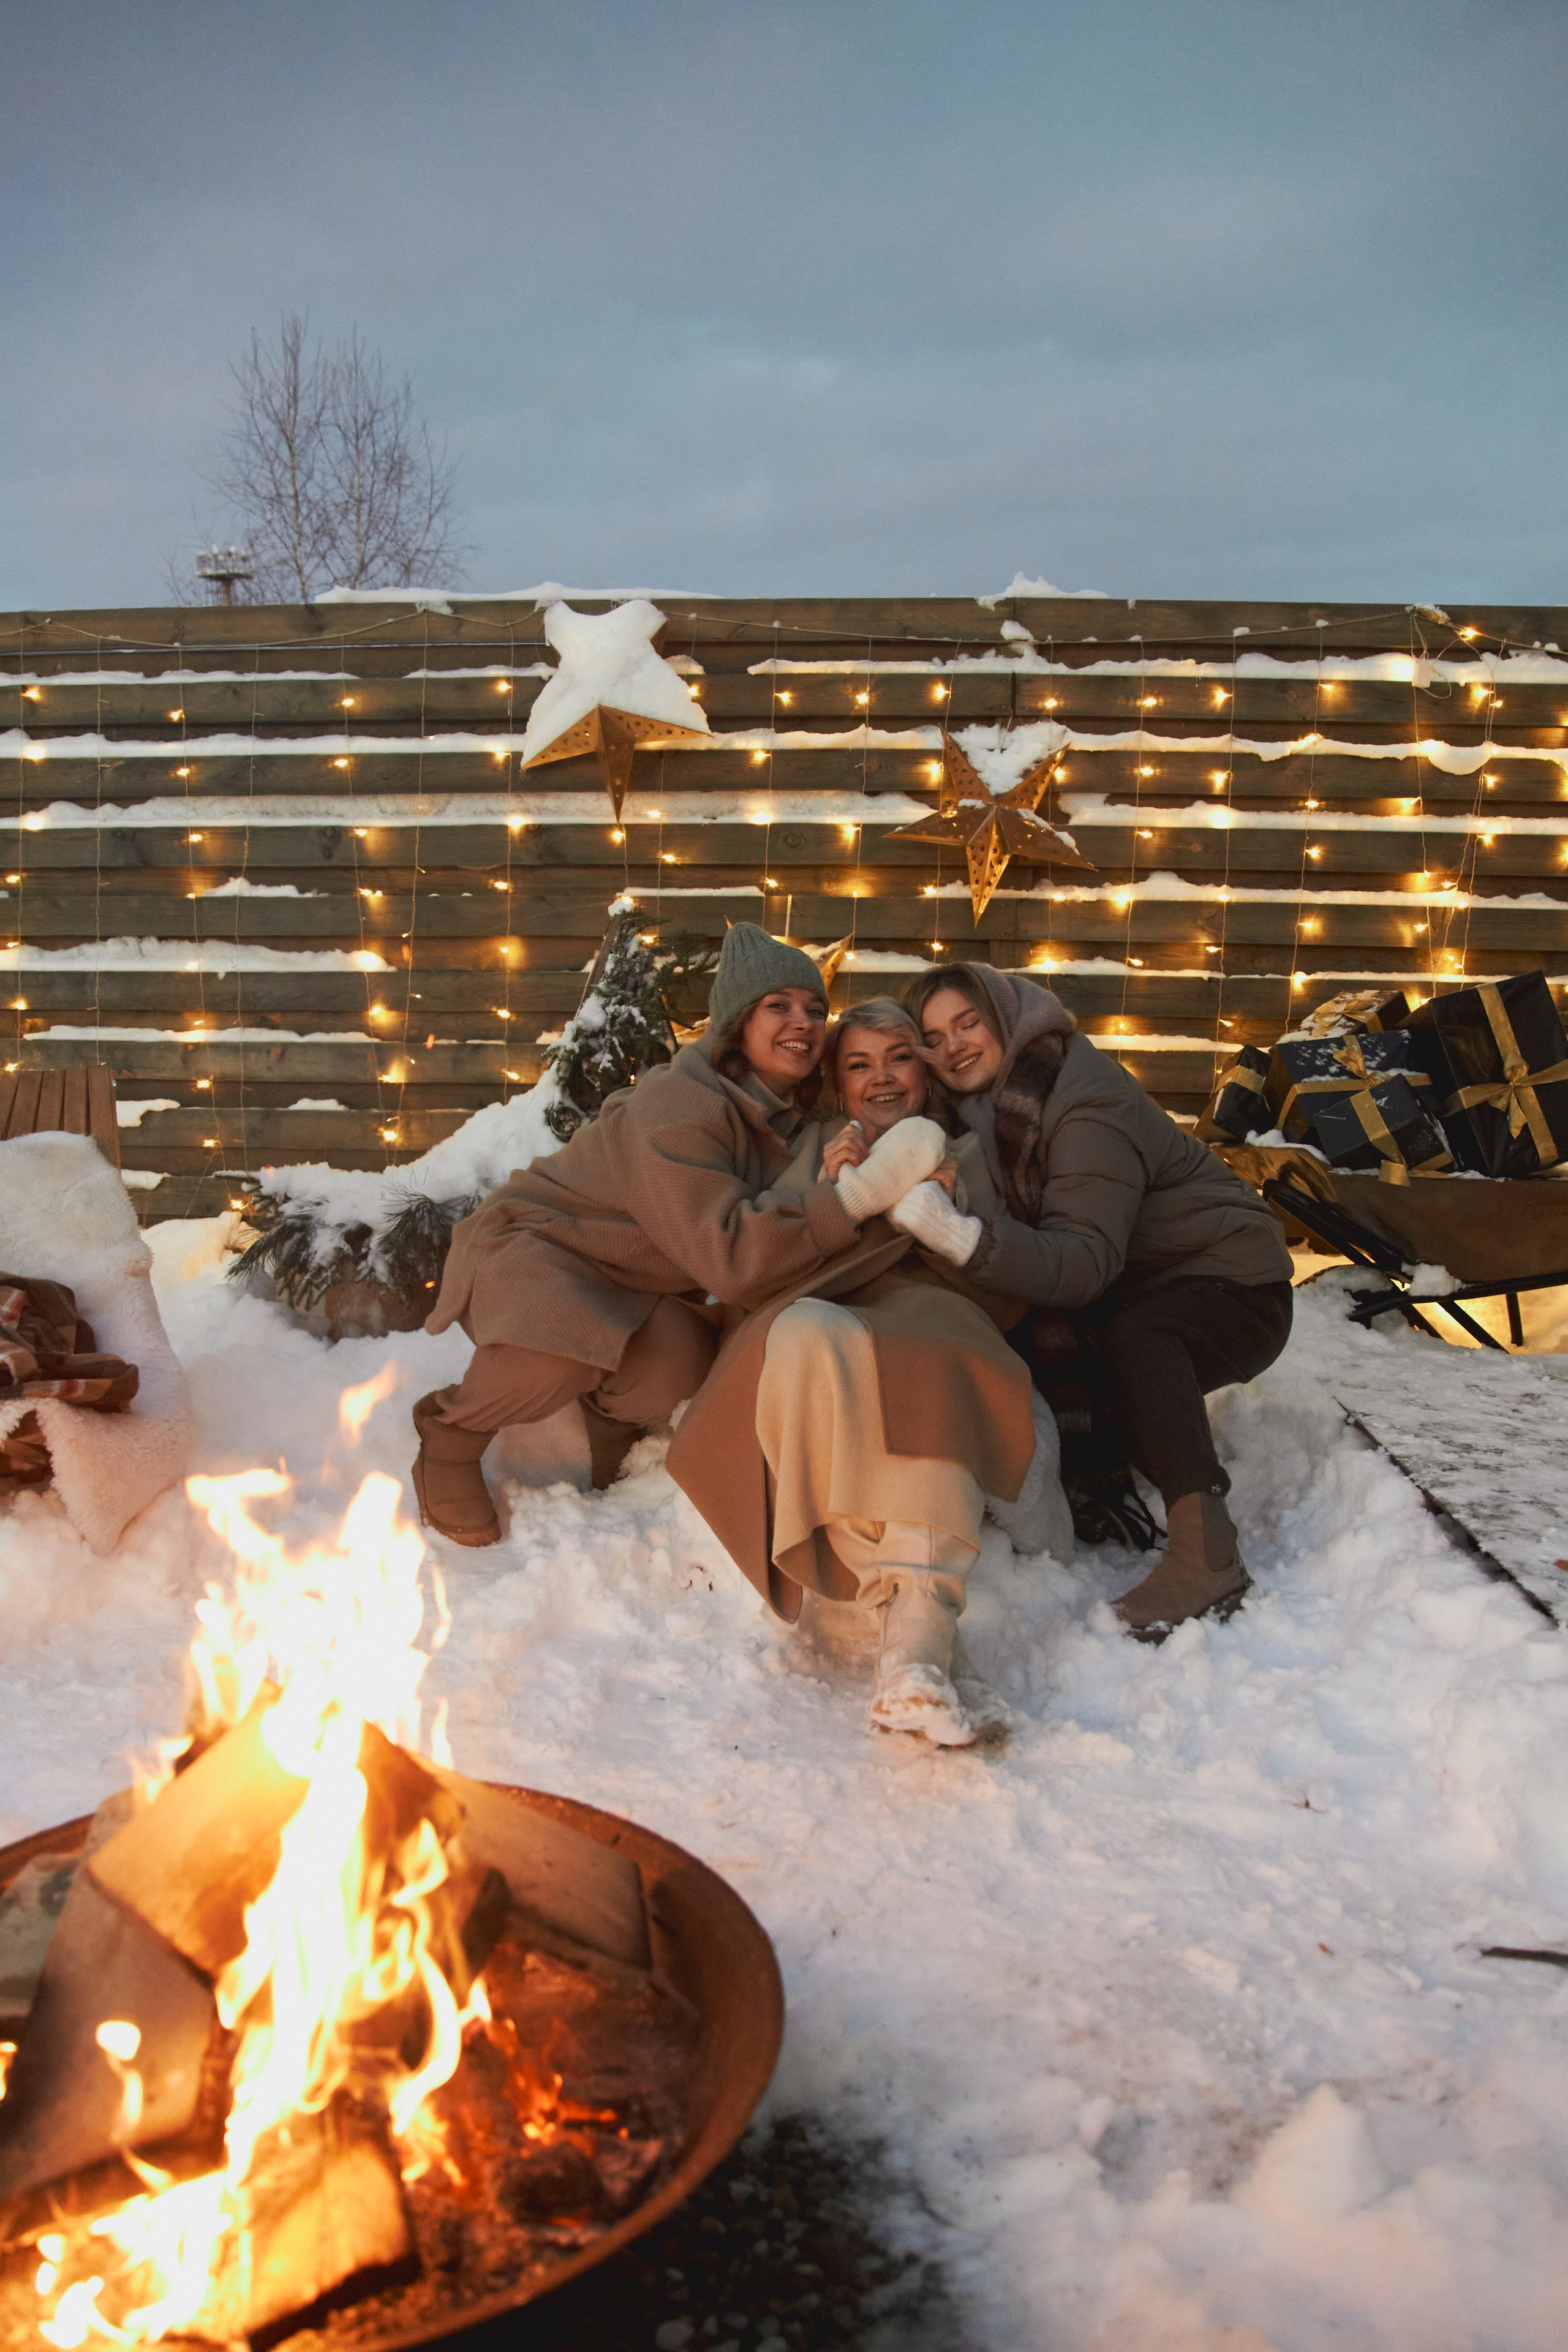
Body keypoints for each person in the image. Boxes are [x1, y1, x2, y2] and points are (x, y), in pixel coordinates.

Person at [668, 996, 1044, 1746]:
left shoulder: (969, 1148)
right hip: (830, 1308)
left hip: (936, 1318)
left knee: (929, 1373)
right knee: (802, 1334)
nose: (880, 1079)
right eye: (859, 1064)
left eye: (899, 1058)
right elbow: (755, 1258)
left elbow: (1005, 1261)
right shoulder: (809, 1145)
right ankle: (914, 1627)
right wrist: (826, 1200)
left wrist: (945, 1202)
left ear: (924, 1071)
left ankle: (914, 1651)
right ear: (837, 1083)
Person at [903, 962, 1294, 1641]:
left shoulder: (1080, 1098)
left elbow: (1080, 1262)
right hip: (1150, 1281)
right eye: (933, 1038)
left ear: (1005, 1018)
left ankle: (1208, 1554)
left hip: (1236, 1285)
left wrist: (963, 1237)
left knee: (1140, 1341)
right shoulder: (981, 1110)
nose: (953, 1046)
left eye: (968, 1023)